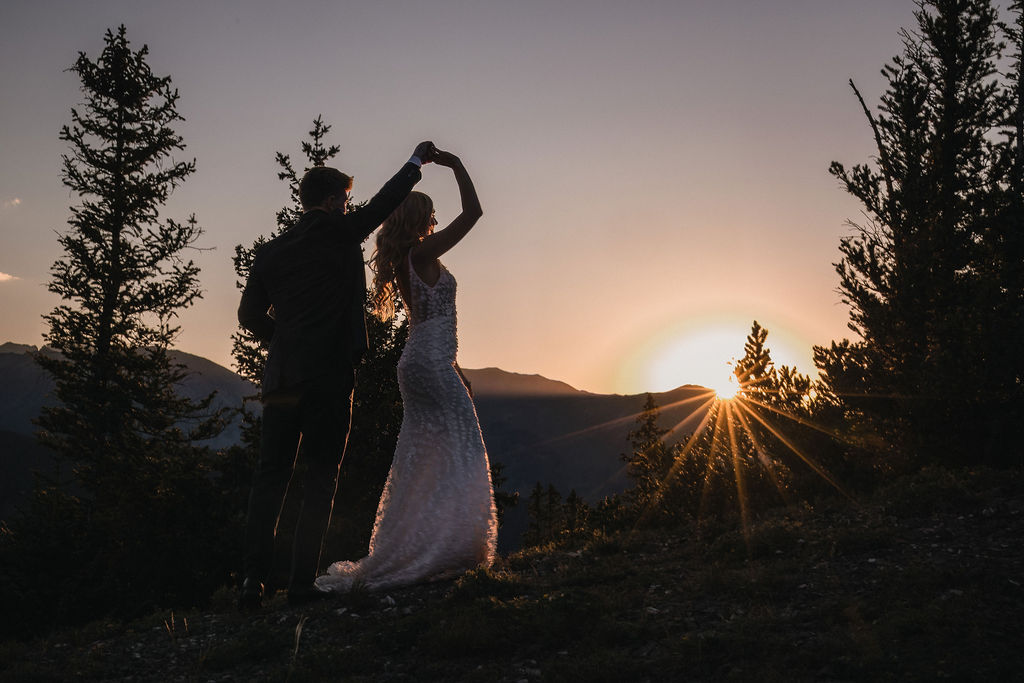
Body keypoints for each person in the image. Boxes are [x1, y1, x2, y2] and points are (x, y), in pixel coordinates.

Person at [237, 141, 435, 609]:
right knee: (321, 477)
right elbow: (385, 202)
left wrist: (286, 340)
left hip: (282, 378)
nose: (349, 207)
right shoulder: (341, 232)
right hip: (328, 376)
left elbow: (248, 315)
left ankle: (252, 583)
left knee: (270, 479)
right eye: (345, 200)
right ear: (331, 201)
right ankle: (300, 584)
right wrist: (416, 161)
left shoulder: (270, 252)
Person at [315, 148, 497, 594]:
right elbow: (474, 213)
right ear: (419, 219)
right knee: (462, 450)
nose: (435, 219)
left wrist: (457, 370)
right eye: (430, 213)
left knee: (427, 457)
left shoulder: (406, 259)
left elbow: (432, 323)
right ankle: (447, 547)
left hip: (423, 362)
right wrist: (456, 165)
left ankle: (432, 546)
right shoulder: (422, 253)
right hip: (429, 363)